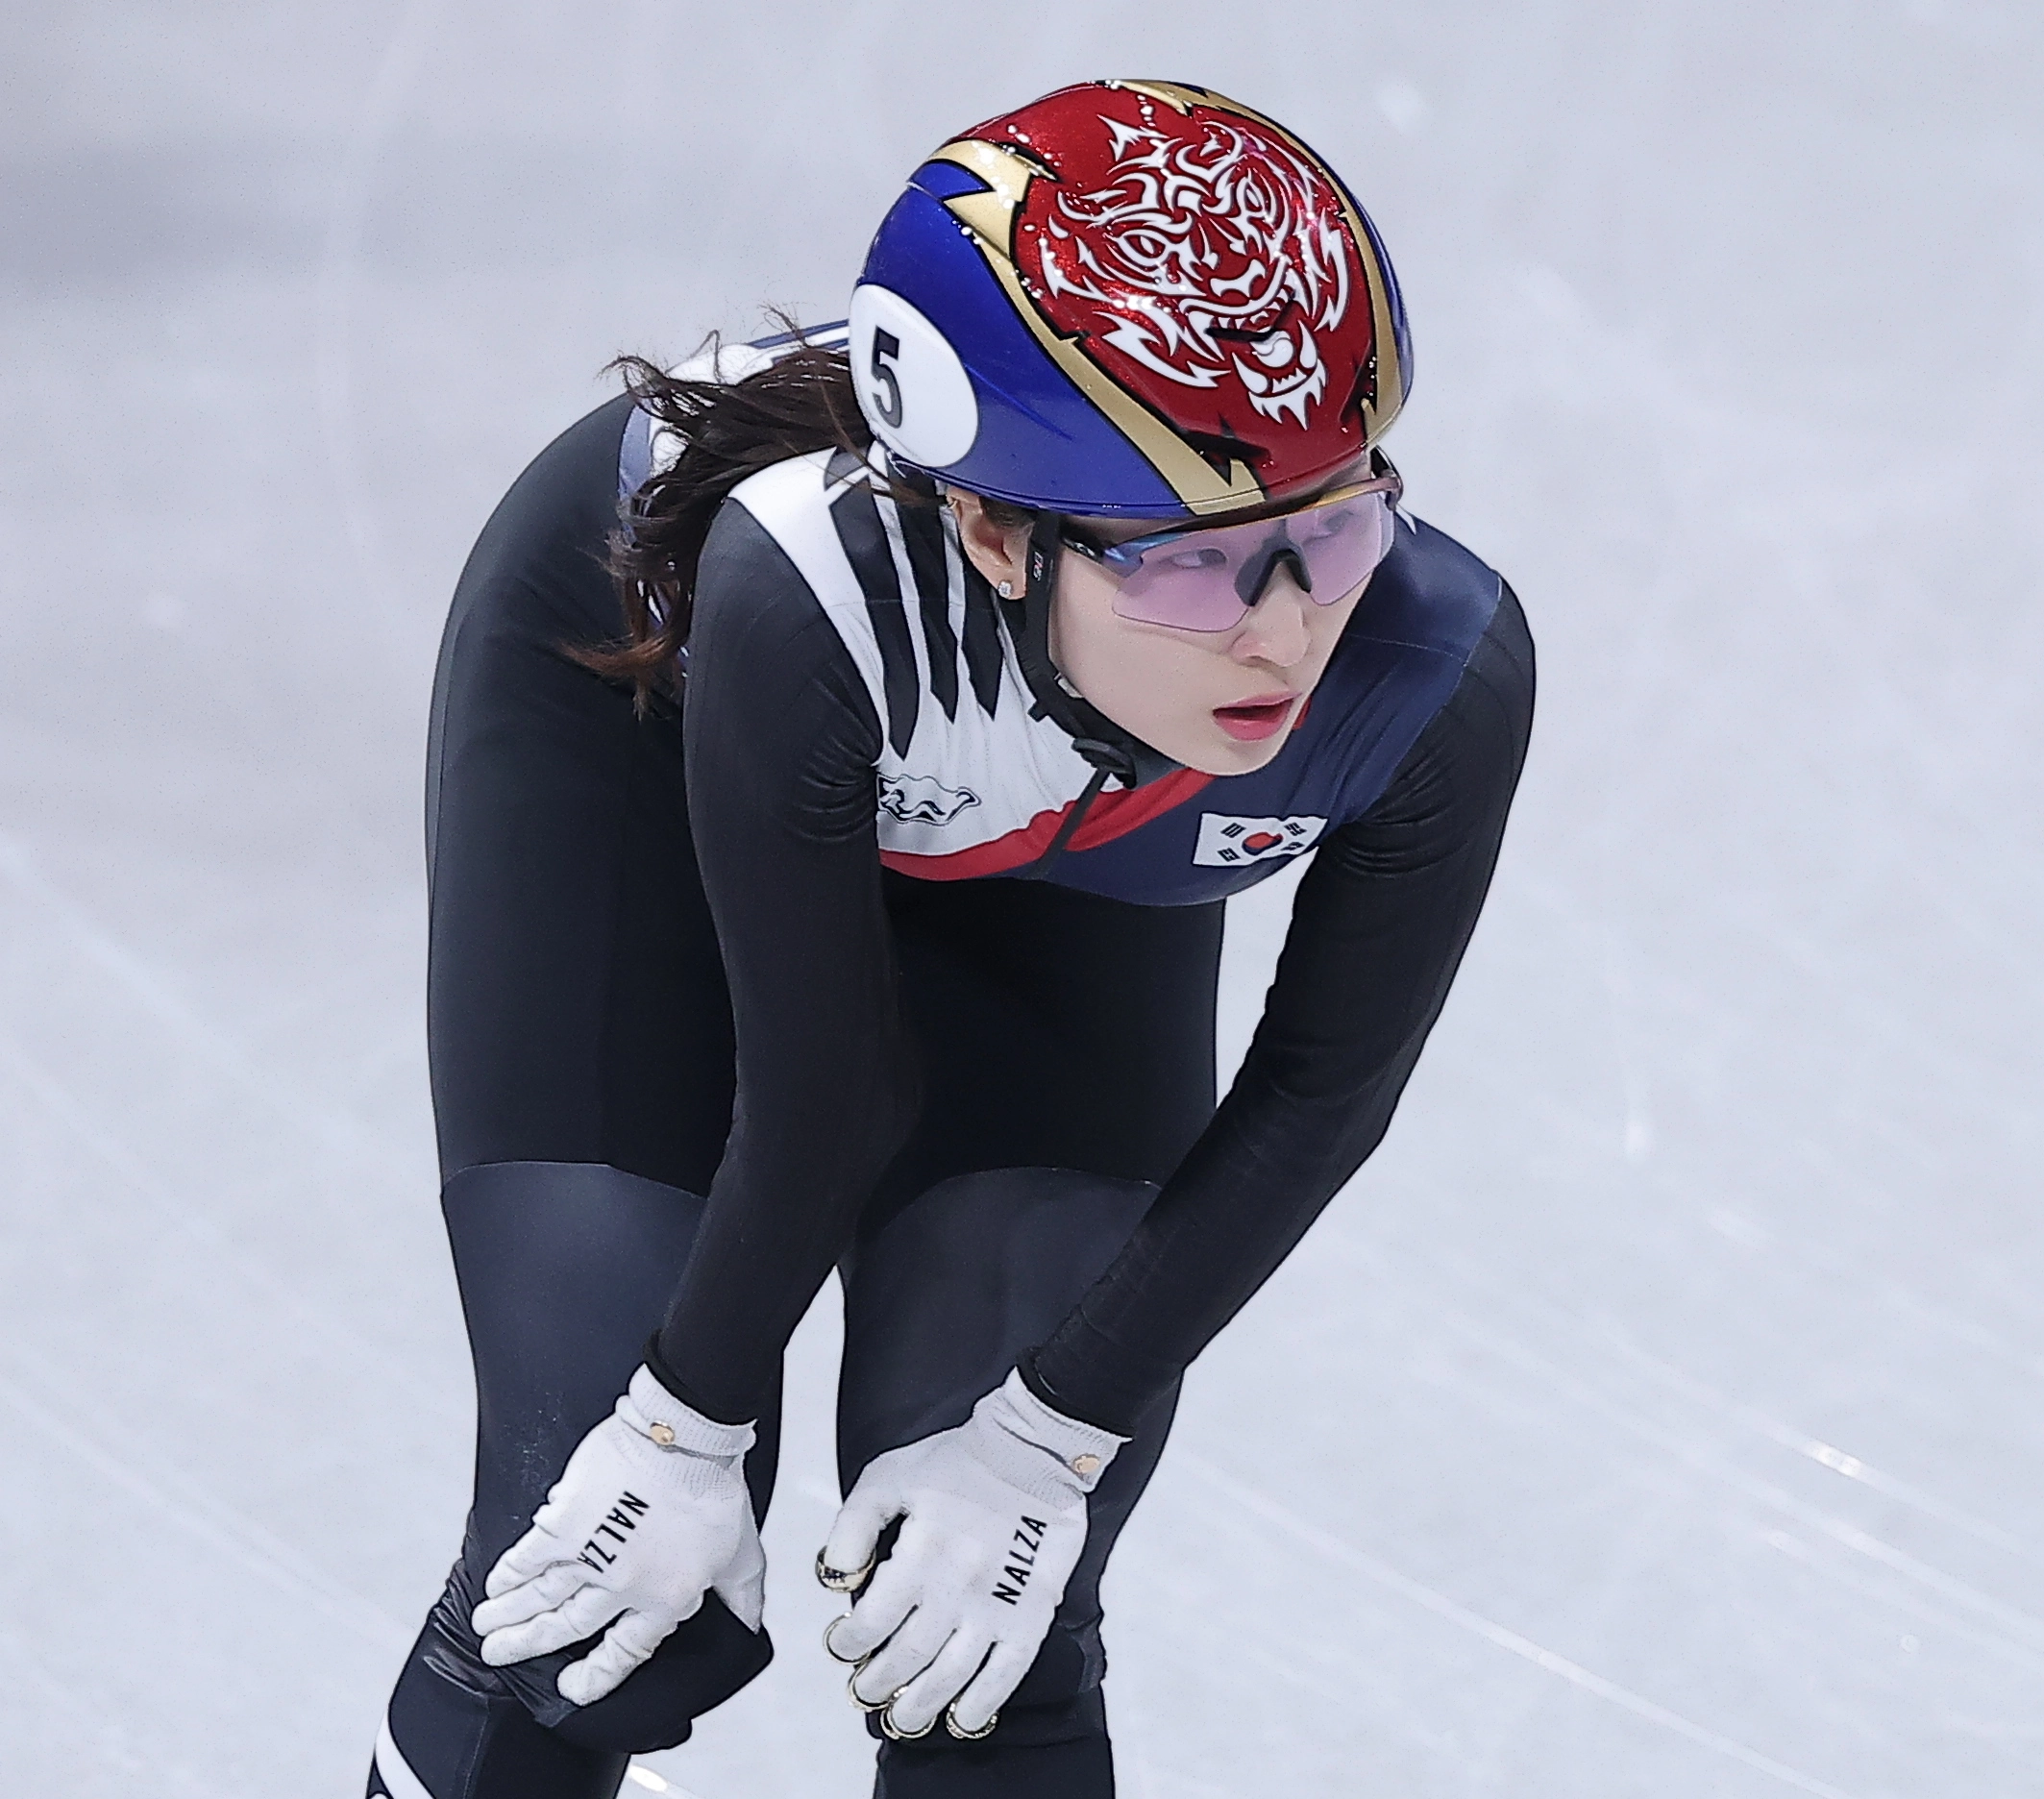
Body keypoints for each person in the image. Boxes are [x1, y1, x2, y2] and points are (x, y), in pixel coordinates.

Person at [367, 78, 1534, 1799]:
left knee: (989, 1639)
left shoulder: (1434, 674)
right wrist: (681, 1426)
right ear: (990, 527)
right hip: (641, 762)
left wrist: (1046, 1445)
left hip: (1058, 872)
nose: (1288, 629)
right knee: (574, 1588)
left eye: (1337, 524)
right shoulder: (800, 597)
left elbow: (1318, 1104)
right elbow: (822, 1088)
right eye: (1203, 569)